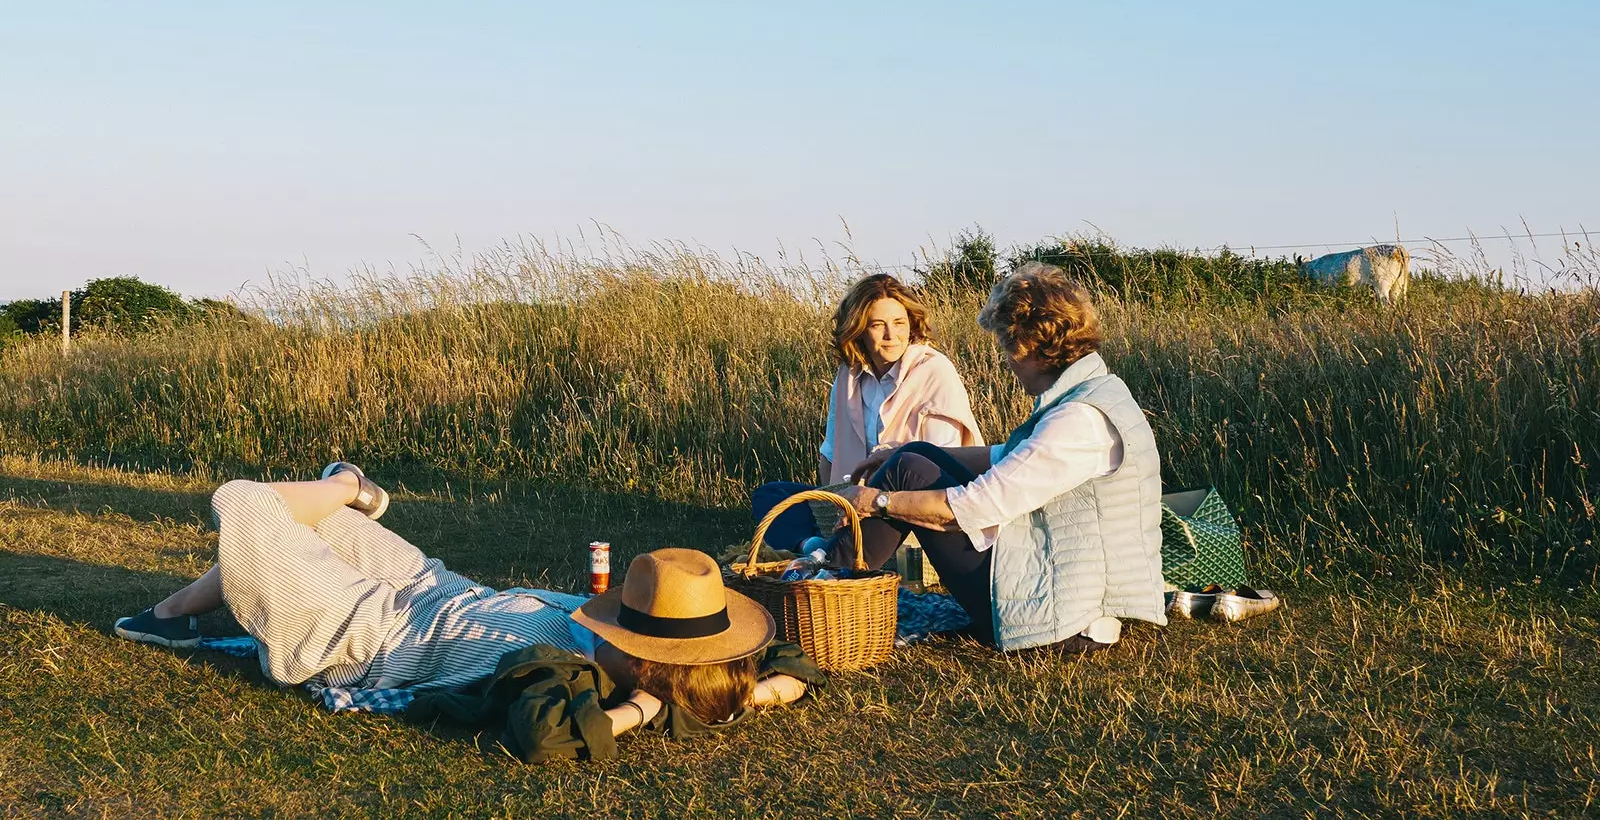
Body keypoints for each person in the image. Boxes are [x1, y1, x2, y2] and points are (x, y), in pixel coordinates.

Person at [114, 464, 816, 758]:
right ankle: (172, 612)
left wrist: (641, 709)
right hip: (433, 584)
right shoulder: (625, 641)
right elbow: (788, 663)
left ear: (646, 666)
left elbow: (544, 738)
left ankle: (349, 482)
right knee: (310, 525)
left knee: (249, 504)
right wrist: (751, 691)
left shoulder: (573, 679)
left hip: (368, 629)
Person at [829, 262, 1167, 653]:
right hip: (1065, 592)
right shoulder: (1097, 394)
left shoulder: (1078, 421)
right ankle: (830, 575)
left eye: (1007, 346)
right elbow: (1006, 456)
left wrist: (877, 501)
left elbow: (971, 508)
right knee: (913, 457)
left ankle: (825, 584)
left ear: (1028, 345)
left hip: (1060, 623)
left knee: (908, 473)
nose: (1006, 360)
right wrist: (906, 449)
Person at [751, 273, 983, 551]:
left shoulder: (934, 371)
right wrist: (831, 503)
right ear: (859, 329)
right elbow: (830, 451)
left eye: (899, 323)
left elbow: (939, 463)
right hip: (852, 498)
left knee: (873, 521)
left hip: (903, 505)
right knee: (771, 495)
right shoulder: (849, 375)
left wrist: (871, 501)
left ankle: (832, 553)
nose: (891, 335)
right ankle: (815, 546)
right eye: (877, 325)